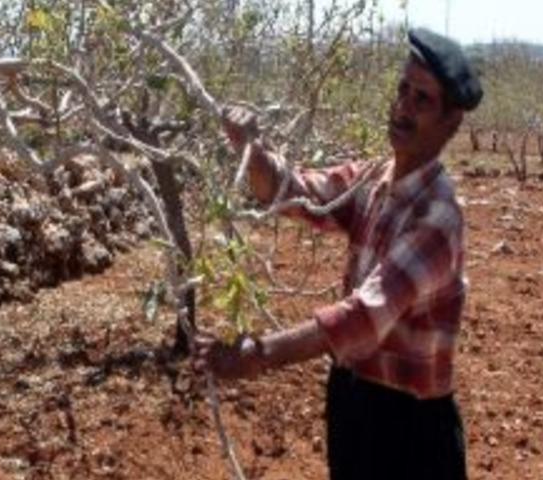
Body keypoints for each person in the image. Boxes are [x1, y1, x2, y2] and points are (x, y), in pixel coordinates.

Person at [193, 28, 483, 479]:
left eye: (422, 99)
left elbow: (363, 319)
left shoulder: (437, 217)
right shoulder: (374, 178)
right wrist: (251, 152)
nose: (403, 106)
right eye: (402, 90)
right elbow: (296, 193)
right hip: (354, 404)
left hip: (411, 429)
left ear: (451, 123)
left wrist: (259, 354)